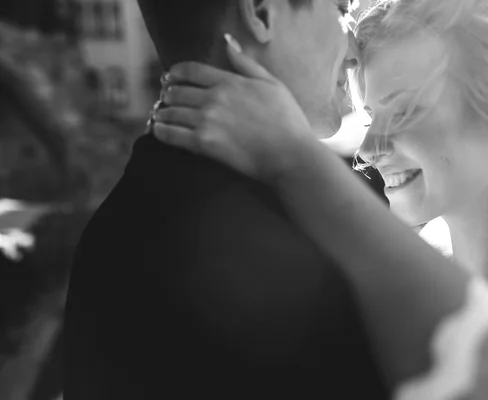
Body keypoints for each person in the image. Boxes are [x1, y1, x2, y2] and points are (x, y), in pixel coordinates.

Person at [152, 0, 488, 397]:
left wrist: (296, 159)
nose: (368, 150)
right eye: (371, 117)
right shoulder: (371, 271)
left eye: (404, 109)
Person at [63, 1, 389, 399]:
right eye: (340, 10)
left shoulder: (109, 237)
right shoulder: (302, 248)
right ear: (261, 12)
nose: (355, 53)